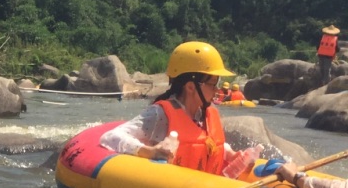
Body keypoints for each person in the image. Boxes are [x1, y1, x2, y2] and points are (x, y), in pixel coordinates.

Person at [99, 40, 257, 177]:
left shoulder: (206, 113)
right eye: (213, 84)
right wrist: (149, 151)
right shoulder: (160, 115)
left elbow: (208, 144)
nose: (217, 90)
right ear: (190, 87)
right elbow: (110, 136)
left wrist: (231, 155)